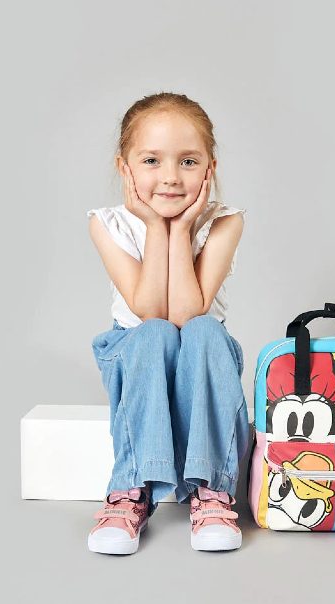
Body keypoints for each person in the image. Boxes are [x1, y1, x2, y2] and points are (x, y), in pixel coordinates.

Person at [85, 92, 249, 555]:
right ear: (126, 169)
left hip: (203, 360)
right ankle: (130, 488)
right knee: (153, 334)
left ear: (209, 170)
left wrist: (181, 226)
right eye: (152, 160)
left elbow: (187, 313)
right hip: (135, 353)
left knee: (203, 331)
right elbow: (150, 312)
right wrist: (156, 225)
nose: (171, 177)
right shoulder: (108, 223)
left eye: (189, 161)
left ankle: (211, 491)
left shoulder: (223, 222)